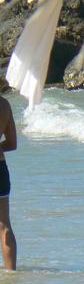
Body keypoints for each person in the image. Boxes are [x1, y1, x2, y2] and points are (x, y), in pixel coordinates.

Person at [0, 95, 17, 270]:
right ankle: (11, 275)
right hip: (0, 168)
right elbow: (12, 144)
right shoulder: (4, 105)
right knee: (4, 225)